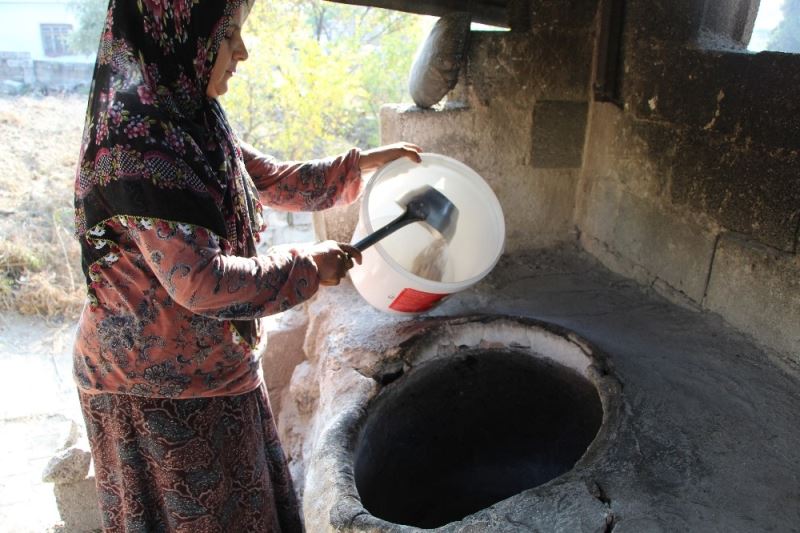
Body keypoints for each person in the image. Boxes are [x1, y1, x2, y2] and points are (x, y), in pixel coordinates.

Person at [72, 1, 421, 531]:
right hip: (154, 393)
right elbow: (201, 283)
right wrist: (306, 267)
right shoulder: (136, 148)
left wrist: (364, 165)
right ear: (182, 34)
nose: (243, 51)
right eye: (229, 34)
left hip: (217, 368)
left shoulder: (191, 118)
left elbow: (270, 179)